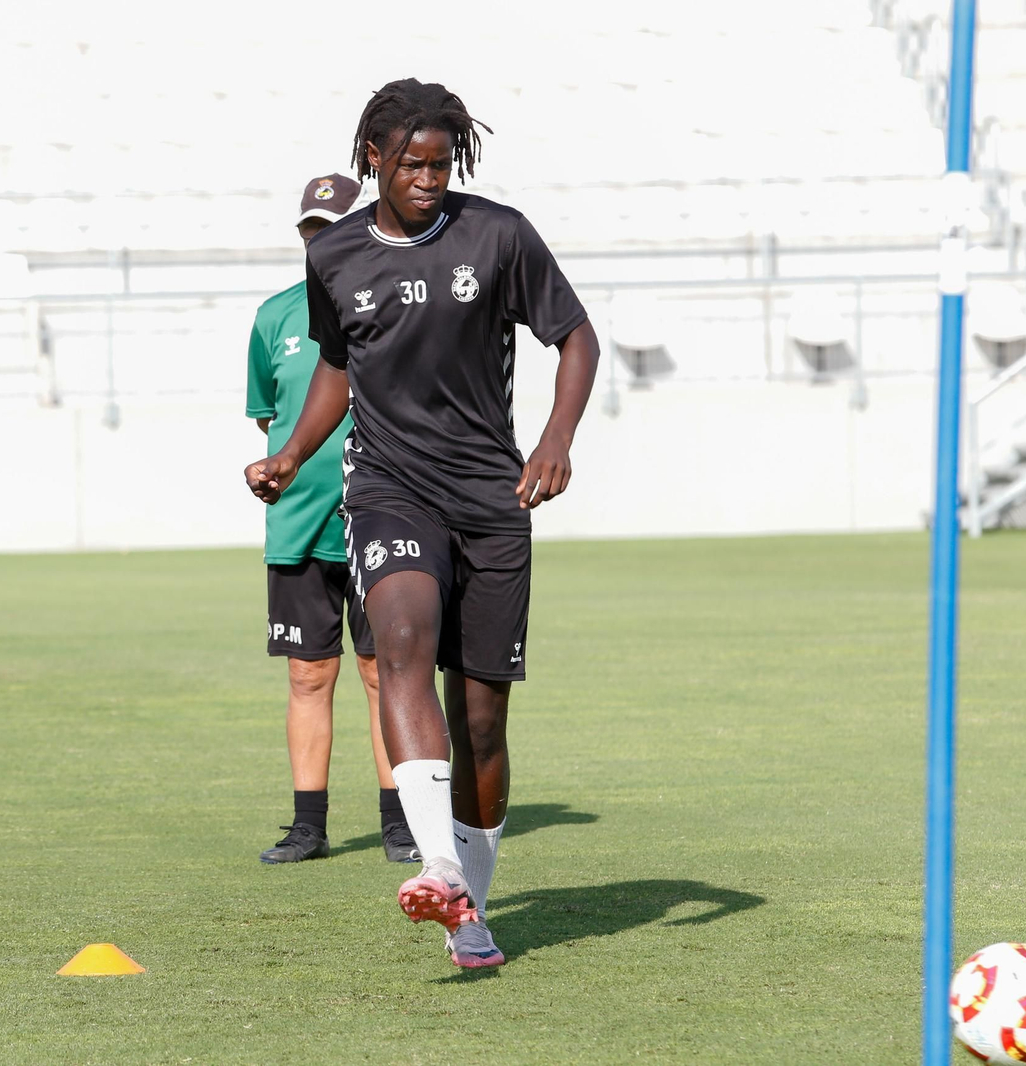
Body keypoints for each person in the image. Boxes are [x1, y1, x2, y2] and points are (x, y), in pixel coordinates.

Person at [244, 79, 600, 969]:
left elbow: (578, 337)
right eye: (413, 164)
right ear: (374, 159)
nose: (431, 178)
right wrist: (292, 454)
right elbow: (337, 364)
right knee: (400, 636)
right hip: (388, 485)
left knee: (481, 716)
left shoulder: (499, 235)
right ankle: (437, 860)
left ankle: (470, 904)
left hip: (491, 495)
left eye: (443, 163)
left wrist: (555, 441)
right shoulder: (334, 258)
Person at [246, 172, 420, 867]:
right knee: (308, 677)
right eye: (311, 233)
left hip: (383, 514)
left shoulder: (400, 307)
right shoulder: (274, 316)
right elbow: (271, 413)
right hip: (300, 525)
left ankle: (401, 823)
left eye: (332, 232)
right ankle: (307, 826)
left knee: (387, 672)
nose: (319, 245)